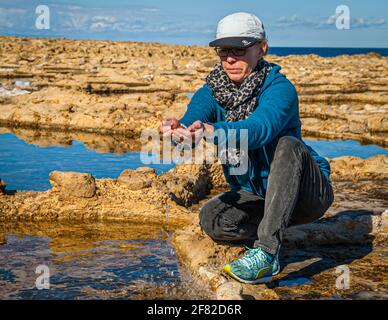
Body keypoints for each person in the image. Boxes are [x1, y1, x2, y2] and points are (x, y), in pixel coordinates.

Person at [160, 12, 334, 284]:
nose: (229, 58)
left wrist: (212, 131)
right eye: (223, 50)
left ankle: (267, 254)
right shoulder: (212, 90)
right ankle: (272, 227)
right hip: (258, 196)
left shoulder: (279, 89)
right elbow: (193, 119)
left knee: (288, 145)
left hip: (306, 195)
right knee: (212, 219)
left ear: (261, 48)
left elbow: (258, 130)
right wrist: (178, 132)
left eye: (239, 49)